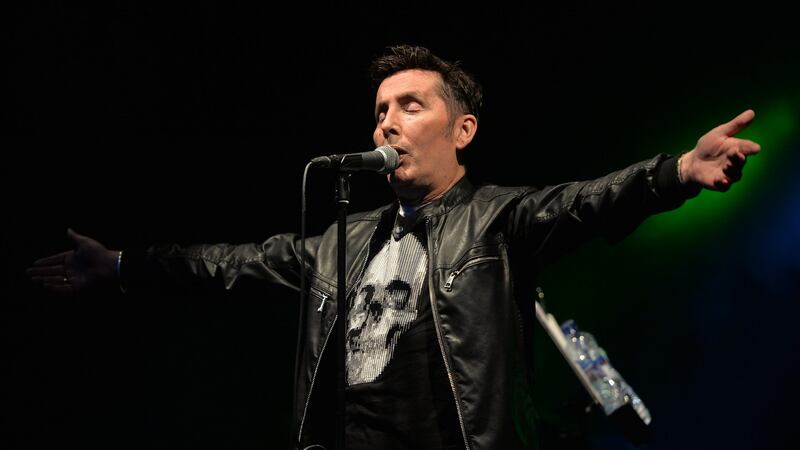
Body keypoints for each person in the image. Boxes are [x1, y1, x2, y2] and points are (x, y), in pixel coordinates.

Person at [27, 45, 761, 449]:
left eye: (412, 105)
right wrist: (122, 265)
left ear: (461, 130)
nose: (388, 122)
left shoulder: (498, 221)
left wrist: (678, 173)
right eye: (381, 109)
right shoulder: (339, 242)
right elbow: (228, 265)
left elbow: (588, 199)